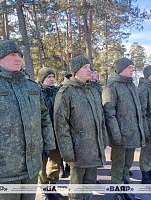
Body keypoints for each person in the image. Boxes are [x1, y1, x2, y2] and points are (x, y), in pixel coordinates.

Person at [0, 40, 56, 200]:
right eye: (12, 55)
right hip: (5, 168)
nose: (18, 58)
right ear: (0, 59)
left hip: (32, 165)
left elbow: (44, 118)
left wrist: (48, 143)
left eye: (20, 55)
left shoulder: (32, 87)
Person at [54, 55, 108, 200]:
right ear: (76, 71)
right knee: (77, 187)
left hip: (94, 148)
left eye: (89, 67)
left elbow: (101, 119)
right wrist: (67, 152)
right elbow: (61, 125)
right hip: (78, 151)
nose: (89, 70)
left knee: (89, 184)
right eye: (85, 67)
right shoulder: (66, 93)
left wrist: (103, 141)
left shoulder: (93, 91)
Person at [102, 57, 144, 200]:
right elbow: (109, 113)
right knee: (118, 166)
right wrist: (115, 134)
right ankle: (118, 192)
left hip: (132, 134)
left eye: (133, 67)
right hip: (120, 135)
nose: (132, 69)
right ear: (121, 69)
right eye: (129, 67)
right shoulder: (112, 87)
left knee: (128, 165)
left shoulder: (131, 85)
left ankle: (126, 190)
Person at [37, 67, 64, 200]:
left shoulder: (58, 92)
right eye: (49, 77)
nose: (52, 79)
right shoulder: (36, 93)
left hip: (57, 133)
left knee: (55, 162)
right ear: (42, 79)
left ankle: (52, 188)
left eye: (53, 76)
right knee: (42, 163)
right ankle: (44, 191)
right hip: (42, 134)